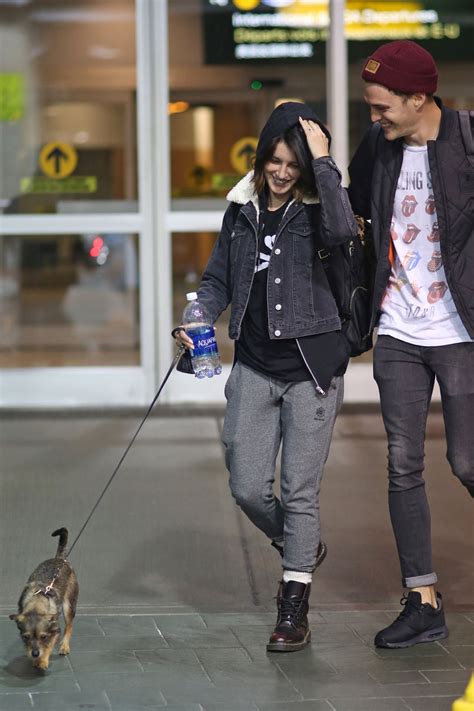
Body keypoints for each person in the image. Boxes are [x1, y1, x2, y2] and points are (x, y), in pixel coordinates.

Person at [174, 102, 358, 652]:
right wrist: (198, 316)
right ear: (260, 159)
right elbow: (215, 281)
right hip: (254, 364)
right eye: (273, 161)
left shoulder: (319, 209)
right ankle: (298, 542)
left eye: (291, 164)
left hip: (311, 369)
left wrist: (324, 163)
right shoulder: (242, 209)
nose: (280, 173)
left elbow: (346, 230)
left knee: (300, 492)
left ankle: (293, 608)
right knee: (247, 485)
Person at [349, 40, 474, 649]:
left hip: (460, 330)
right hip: (399, 326)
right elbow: (346, 214)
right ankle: (423, 602)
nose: (374, 118)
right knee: (403, 464)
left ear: (418, 98)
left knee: (468, 460)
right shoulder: (378, 148)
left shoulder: (467, 142)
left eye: (381, 107)